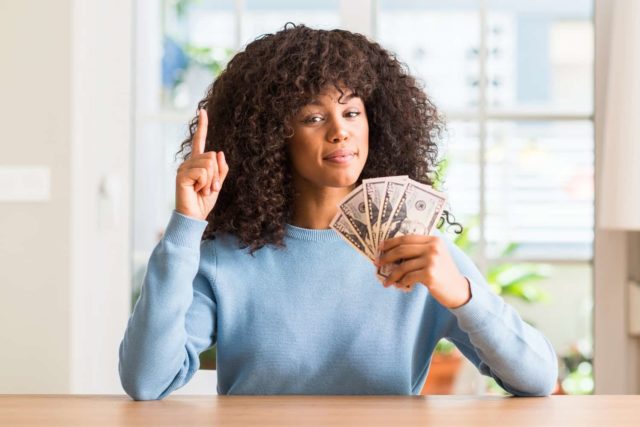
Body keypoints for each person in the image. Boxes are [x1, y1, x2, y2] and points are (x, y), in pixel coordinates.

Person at [119, 24, 558, 400]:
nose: (339, 131)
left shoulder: (418, 256)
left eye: (351, 112)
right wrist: (186, 227)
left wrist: (463, 294)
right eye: (313, 117)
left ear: (376, 123)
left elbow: (537, 378)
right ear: (274, 136)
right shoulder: (224, 258)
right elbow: (146, 381)